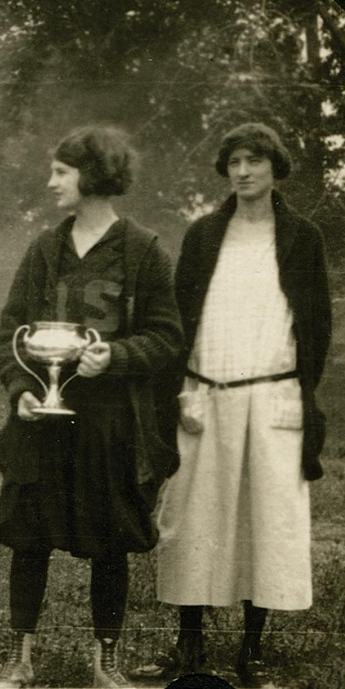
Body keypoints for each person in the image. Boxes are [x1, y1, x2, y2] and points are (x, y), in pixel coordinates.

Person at [131, 123, 330, 688]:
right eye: (235, 162)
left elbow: (315, 325)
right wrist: (182, 391)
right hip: (205, 393)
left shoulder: (301, 237)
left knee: (265, 519)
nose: (244, 171)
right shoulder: (202, 235)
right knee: (193, 518)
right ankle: (187, 648)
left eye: (255, 161)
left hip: (274, 397)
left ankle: (253, 652)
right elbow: (180, 321)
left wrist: (299, 392)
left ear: (275, 167)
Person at [0, 125, 182, 688]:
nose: (51, 183)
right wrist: (21, 389)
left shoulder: (143, 249)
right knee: (29, 538)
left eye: (60, 173)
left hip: (109, 423)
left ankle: (106, 662)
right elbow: (10, 331)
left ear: (92, 176)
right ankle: (20, 657)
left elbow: (168, 338)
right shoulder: (45, 248)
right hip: (42, 424)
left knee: (110, 542)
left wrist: (114, 357)